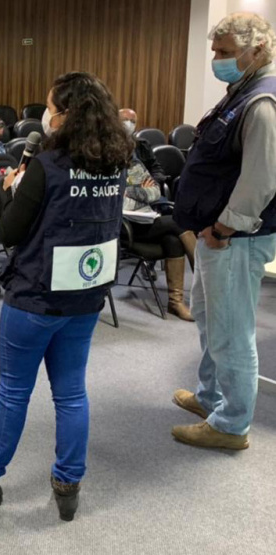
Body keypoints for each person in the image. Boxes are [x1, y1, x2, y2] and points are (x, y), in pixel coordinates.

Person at [0, 72, 131, 522]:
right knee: (72, 393)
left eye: (50, 108)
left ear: (67, 115)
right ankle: (68, 483)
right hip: (86, 295)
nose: (46, 116)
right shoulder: (116, 162)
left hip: (36, 297)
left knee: (13, 392)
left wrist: (5, 191)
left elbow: (10, 232)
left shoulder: (47, 165)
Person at [171, 12, 276, 451]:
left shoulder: (262, 103)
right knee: (210, 320)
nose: (217, 59)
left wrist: (223, 228)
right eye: (215, 50)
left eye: (226, 52)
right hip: (218, 236)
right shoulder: (240, 93)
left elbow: (260, 180)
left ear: (258, 51)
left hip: (232, 238)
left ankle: (231, 426)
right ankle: (211, 397)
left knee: (231, 332)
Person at [121, 155, 196, 321]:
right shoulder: (106, 168)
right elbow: (120, 203)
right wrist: (141, 193)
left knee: (173, 241)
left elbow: (155, 192)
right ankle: (207, 284)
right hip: (126, 226)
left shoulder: (134, 163)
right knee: (178, 223)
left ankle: (175, 302)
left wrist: (130, 191)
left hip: (147, 220)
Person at [119, 109, 167, 184]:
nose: (129, 124)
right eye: (125, 120)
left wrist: (153, 182)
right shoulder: (107, 145)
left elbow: (156, 168)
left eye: (133, 121)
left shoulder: (142, 144)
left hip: (144, 186)